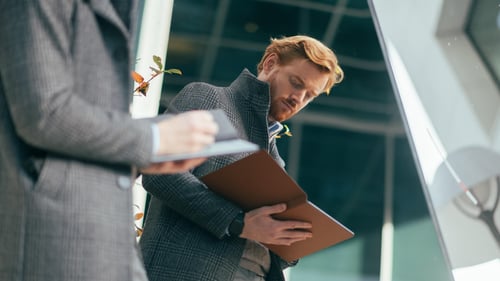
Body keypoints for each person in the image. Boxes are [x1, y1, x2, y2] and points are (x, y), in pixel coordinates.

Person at [0, 1, 218, 281]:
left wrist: (148, 153)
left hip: (108, 233)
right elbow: (44, 113)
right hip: (54, 234)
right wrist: (152, 139)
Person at [139, 35, 344, 281]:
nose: (298, 99)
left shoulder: (275, 157)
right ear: (270, 64)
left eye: (310, 95)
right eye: (296, 83)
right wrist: (238, 222)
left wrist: (289, 239)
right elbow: (159, 172)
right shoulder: (210, 100)